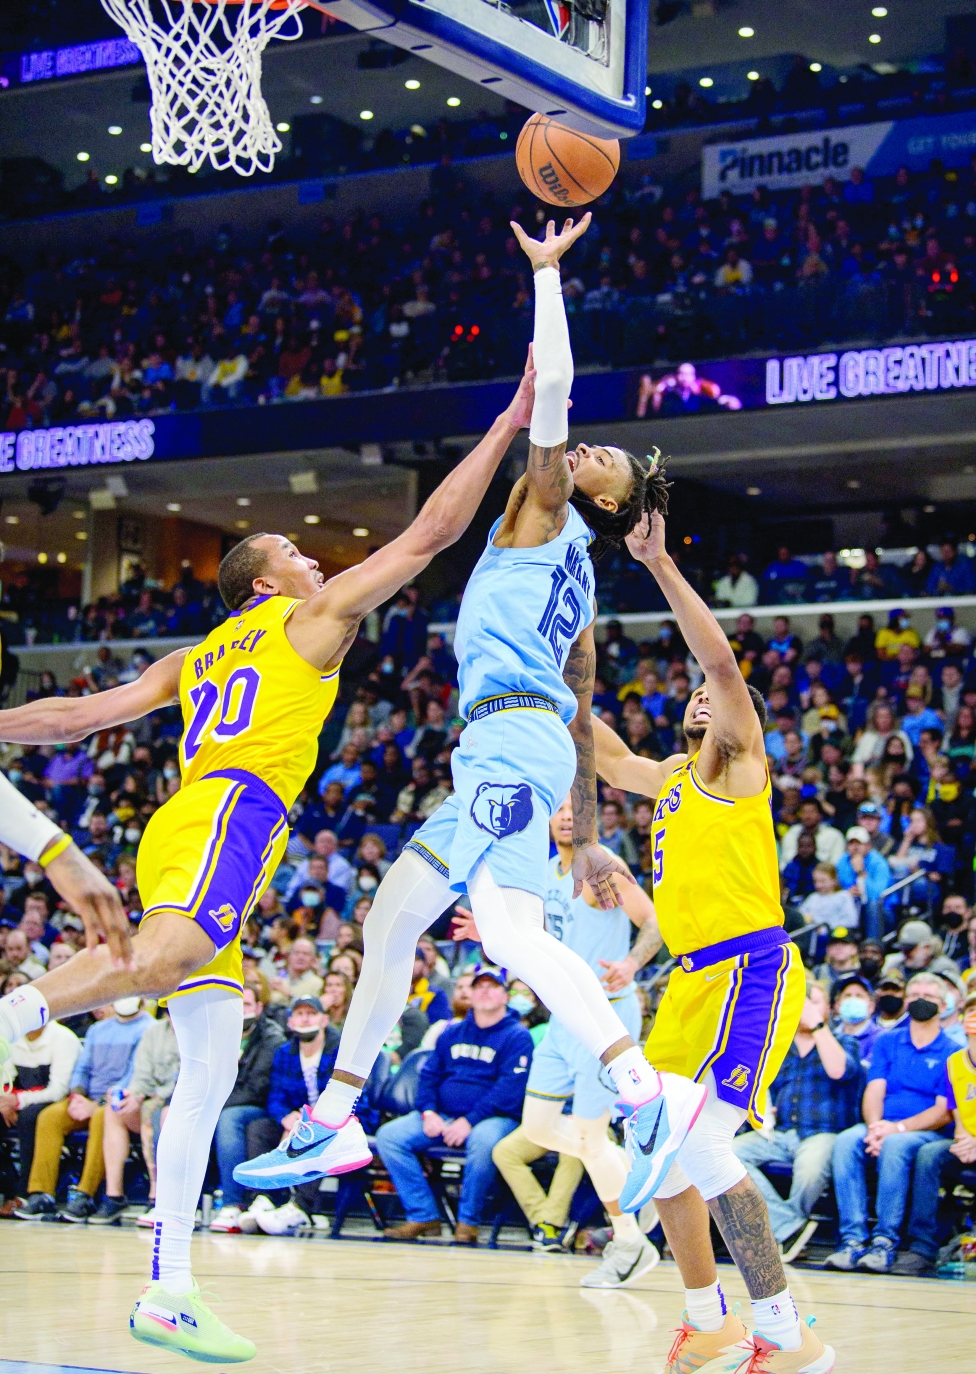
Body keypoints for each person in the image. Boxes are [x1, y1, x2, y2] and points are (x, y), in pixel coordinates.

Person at [0, 350, 540, 1362]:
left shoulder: (193, 658)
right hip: (231, 816)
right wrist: (508, 420)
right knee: (160, 962)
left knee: (205, 1064)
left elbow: (72, 719)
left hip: (191, 818)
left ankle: (169, 1288)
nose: (316, 561)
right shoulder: (306, 622)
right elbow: (432, 533)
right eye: (297, 550)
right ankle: (13, 1018)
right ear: (265, 581)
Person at [237, 215, 703, 1214]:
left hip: (504, 737)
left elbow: (558, 396)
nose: (586, 452)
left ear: (608, 503)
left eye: (604, 460)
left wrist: (545, 277)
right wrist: (584, 832)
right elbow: (580, 714)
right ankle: (339, 1115)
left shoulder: (547, 514)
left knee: (506, 931)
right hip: (509, 744)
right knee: (392, 913)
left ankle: (644, 1092)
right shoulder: (578, 585)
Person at [592, 510, 827, 1372]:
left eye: (717, 697)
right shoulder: (667, 780)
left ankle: (786, 1329)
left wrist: (656, 562)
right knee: (655, 1144)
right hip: (690, 983)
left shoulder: (736, 766)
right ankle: (708, 1316)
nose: (702, 694)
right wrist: (540, 685)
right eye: (691, 694)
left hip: (749, 969)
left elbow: (723, 663)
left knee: (699, 1143)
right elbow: (608, 758)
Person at [458, 796, 665, 1285]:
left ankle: (629, 1242)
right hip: (561, 1021)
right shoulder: (544, 870)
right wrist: (485, 931)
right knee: (539, 1129)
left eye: (579, 807)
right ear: (547, 818)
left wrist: (632, 963)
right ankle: (640, 1181)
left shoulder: (603, 867)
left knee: (590, 1141)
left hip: (605, 1022)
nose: (569, 815)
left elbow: (653, 921)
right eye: (560, 808)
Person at [375, 964, 533, 1243]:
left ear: (505, 995)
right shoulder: (451, 1033)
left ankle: (467, 1223)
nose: (484, 992)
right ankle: (423, 1216)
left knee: (483, 1142)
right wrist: (428, 1112)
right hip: (443, 1115)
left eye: (492, 986)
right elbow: (429, 1076)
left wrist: (470, 1121)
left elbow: (510, 1089)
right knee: (390, 1136)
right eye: (478, 986)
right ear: (469, 995)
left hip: (492, 1118)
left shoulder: (517, 1036)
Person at [826, 973, 953, 1273]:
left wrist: (896, 1129)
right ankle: (853, 1240)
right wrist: (875, 1127)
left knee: (895, 1145)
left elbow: (942, 1112)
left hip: (924, 1132)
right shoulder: (888, 1041)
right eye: (915, 994)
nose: (921, 1000)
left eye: (929, 996)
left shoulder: (952, 1051)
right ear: (905, 1000)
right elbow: (874, 1090)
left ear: (944, 1004)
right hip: (882, 1125)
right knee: (845, 1141)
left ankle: (884, 1242)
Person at [733, 982, 861, 1263]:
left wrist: (817, 1027)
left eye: (813, 1002)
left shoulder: (845, 1041)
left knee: (810, 1171)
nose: (806, 1009)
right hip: (779, 1133)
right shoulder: (780, 1047)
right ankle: (789, 1227)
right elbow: (766, 1088)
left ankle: (784, 1232)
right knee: (727, 1155)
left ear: (828, 1008)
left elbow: (839, 1070)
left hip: (824, 1132)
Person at [893, 986, 976, 1279]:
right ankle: (921, 1248)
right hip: (969, 1141)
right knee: (929, 1155)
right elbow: (957, 1109)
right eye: (973, 1011)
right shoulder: (954, 1062)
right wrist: (966, 1139)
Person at [13, 996, 150, 1221]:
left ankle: (84, 1195)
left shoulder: (148, 1029)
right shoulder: (98, 1029)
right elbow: (82, 1068)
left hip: (119, 1102)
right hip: (86, 1099)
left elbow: (134, 1075)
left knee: (101, 1118)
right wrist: (77, 1096)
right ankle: (41, 1193)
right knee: (50, 1117)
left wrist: (97, 1105)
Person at [244, 996, 340, 1237]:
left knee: (313, 1133)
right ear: (290, 1022)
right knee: (259, 1128)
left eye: (311, 1013)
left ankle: (301, 1208)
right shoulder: (284, 1053)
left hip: (337, 1120)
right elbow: (275, 1095)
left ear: (324, 1019)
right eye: (299, 1013)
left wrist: (309, 1118)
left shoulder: (340, 1050)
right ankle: (264, 1197)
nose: (305, 1018)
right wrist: (285, 1116)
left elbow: (351, 1098)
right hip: (298, 1118)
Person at [91, 1005, 179, 1225]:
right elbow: (141, 1074)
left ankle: (156, 1194)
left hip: (180, 1100)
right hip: (152, 1096)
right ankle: (114, 1195)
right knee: (115, 1109)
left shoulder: (199, 1031)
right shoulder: (154, 1032)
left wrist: (150, 1096)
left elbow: (185, 1077)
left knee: (154, 1113)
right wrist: (134, 1094)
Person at [210, 984, 286, 1230]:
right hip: (224, 1103)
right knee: (166, 1115)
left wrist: (215, 1104)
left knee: (228, 1119)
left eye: (247, 1005)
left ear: (259, 1008)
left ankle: (233, 1204)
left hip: (260, 1107)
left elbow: (257, 1089)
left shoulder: (271, 1038)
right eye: (236, 1004)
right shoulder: (218, 1034)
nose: (241, 1011)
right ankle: (164, 1201)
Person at [0, 1012, 81, 1213]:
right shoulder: (11, 1038)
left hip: (56, 1100)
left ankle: (25, 1195)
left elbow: (58, 1090)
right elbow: (4, 1078)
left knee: (29, 1118)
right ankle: (7, 1187)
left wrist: (18, 1100)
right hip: (19, 1100)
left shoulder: (64, 1038)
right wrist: (4, 1102)